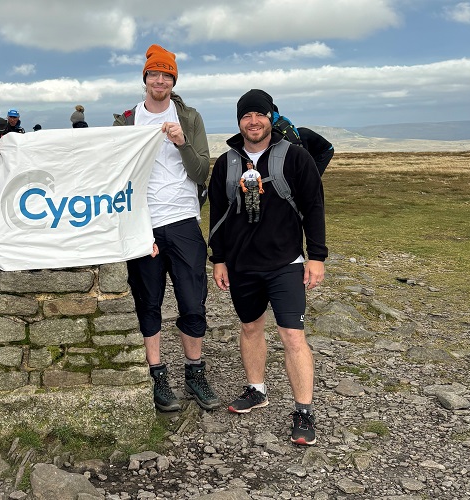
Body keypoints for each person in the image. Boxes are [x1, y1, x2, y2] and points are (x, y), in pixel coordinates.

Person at [208, 89, 327, 446]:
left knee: (292, 335)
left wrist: (316, 256)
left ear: (271, 118)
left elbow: (314, 206)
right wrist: (219, 259)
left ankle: (304, 410)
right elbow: (217, 215)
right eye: (247, 116)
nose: (253, 121)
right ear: (239, 121)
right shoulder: (227, 163)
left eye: (260, 114)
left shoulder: (295, 158)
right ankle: (256, 390)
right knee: (249, 327)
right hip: (242, 266)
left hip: (286, 263)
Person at [112, 44, 219, 412]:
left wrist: (181, 143)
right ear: (145, 78)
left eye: (167, 75)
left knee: (193, 302)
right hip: (144, 226)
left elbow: (202, 171)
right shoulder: (126, 122)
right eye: (154, 74)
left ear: (174, 80)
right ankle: (157, 374)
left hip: (184, 221)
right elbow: (113, 175)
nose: (160, 80)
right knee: (149, 302)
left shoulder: (189, 117)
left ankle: (194, 372)